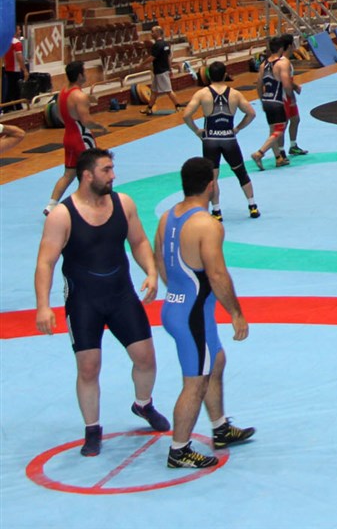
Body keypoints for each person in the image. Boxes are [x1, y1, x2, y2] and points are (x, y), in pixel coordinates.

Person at [34, 148, 172, 456]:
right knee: (88, 367)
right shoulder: (62, 215)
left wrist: (151, 272)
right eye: (106, 170)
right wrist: (43, 305)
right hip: (84, 300)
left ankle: (143, 404)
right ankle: (92, 428)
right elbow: (46, 262)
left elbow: (138, 241)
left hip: (121, 294)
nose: (113, 175)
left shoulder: (123, 204)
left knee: (146, 358)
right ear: (87, 175)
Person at [155, 157, 253, 468]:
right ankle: (179, 450)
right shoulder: (208, 226)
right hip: (192, 315)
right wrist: (236, 313)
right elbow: (217, 275)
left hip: (178, 306)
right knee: (195, 382)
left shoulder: (167, 217)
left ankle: (220, 428)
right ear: (211, 185)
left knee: (216, 360)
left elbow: (160, 261)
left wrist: (178, 293)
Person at [180, 60, 260, 220]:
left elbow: (186, 115)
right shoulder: (235, 94)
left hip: (210, 140)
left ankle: (216, 211)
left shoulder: (202, 94)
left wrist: (197, 131)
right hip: (229, 139)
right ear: (225, 75)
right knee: (241, 173)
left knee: (212, 177)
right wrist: (237, 128)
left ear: (209, 76)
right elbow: (251, 113)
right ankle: (252, 206)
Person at [45, 61, 101, 216]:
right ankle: (90, 202)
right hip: (82, 138)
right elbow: (86, 121)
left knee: (69, 174)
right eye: (85, 72)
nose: (86, 74)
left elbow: (60, 116)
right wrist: (100, 127)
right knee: (92, 170)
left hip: (68, 136)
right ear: (79, 75)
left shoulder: (62, 93)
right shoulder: (79, 96)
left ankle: (51, 206)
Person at [250, 35, 295, 170]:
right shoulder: (282, 63)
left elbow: (259, 85)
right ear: (281, 48)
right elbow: (286, 84)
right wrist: (291, 97)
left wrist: (261, 100)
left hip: (267, 100)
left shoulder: (263, 64)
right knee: (279, 130)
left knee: (272, 131)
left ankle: (278, 158)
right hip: (277, 101)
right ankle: (259, 153)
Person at [277, 34, 308, 157]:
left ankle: (293, 145)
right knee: (283, 124)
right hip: (284, 96)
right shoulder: (284, 62)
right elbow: (285, 81)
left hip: (287, 95)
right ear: (290, 46)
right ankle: (280, 151)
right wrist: (295, 88)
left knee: (295, 119)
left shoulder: (284, 61)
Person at [144, 26, 184, 115]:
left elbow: (152, 58)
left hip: (161, 72)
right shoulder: (166, 44)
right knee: (154, 91)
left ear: (158, 33)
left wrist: (141, 65)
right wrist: (170, 69)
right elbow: (168, 58)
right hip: (159, 71)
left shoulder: (156, 45)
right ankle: (149, 108)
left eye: (152, 32)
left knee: (168, 91)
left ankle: (178, 106)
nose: (151, 34)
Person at [2, 32, 28, 112]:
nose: (20, 32)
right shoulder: (16, 43)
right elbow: (19, 57)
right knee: (15, 90)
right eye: (19, 30)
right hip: (15, 70)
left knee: (11, 89)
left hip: (7, 69)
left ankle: (9, 107)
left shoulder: (5, 42)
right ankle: (14, 107)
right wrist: (24, 70)